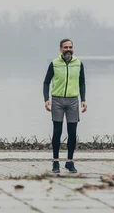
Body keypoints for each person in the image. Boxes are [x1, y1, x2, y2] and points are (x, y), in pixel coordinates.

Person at [43, 39, 87, 173]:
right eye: (65, 47)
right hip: (57, 100)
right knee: (57, 131)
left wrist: (83, 100)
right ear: (60, 49)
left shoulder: (78, 64)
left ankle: (69, 162)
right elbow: (46, 82)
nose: (68, 49)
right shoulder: (54, 64)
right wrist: (46, 99)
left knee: (72, 133)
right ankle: (55, 162)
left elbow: (82, 83)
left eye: (70, 47)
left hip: (73, 100)